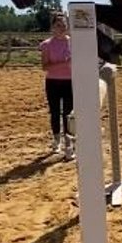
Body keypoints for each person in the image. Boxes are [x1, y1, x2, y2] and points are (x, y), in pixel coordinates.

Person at [39, 13, 73, 155]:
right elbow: (45, 67)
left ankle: (69, 144)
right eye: (58, 25)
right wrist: (64, 63)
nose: (62, 28)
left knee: (68, 114)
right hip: (53, 82)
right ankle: (57, 141)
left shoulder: (73, 43)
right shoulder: (46, 45)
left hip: (70, 82)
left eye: (64, 25)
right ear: (53, 27)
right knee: (54, 113)